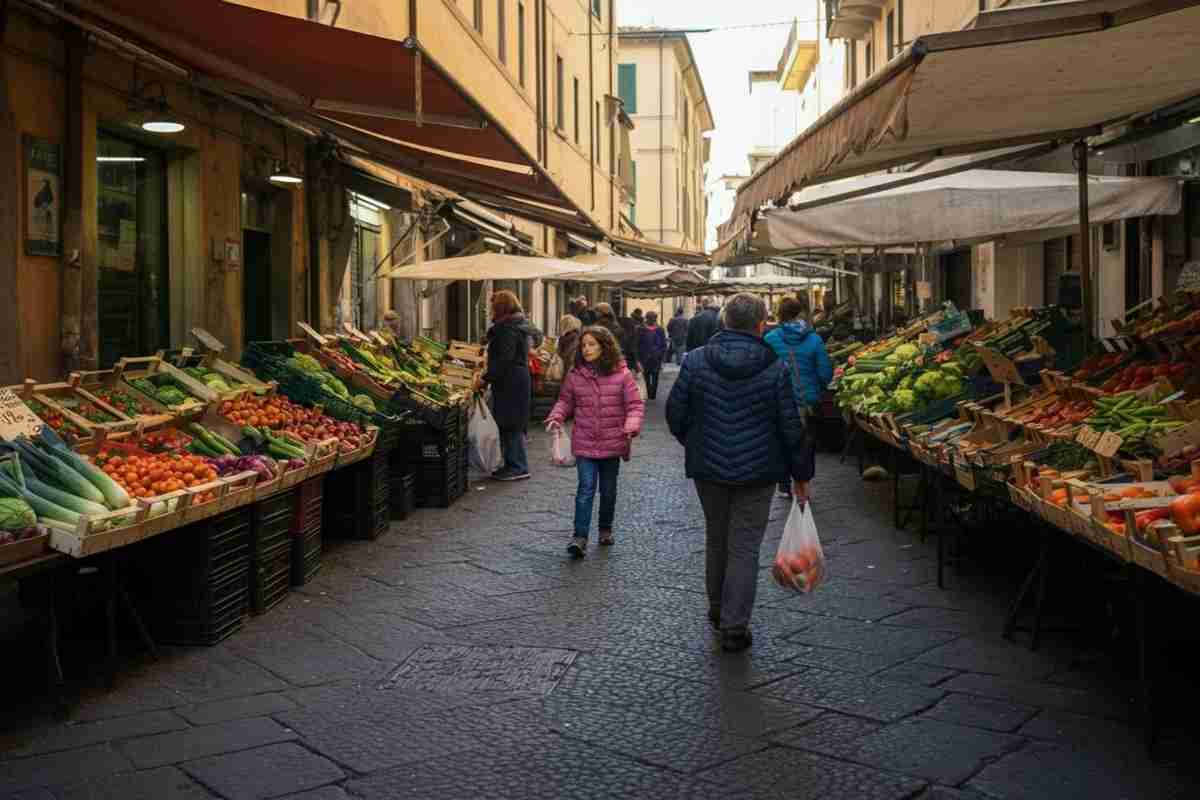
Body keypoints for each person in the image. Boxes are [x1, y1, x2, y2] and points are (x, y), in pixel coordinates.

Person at [666, 293, 812, 653]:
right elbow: (790, 425)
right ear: (761, 325)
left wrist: (696, 442)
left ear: (724, 321)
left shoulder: (696, 361)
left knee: (717, 539)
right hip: (759, 471)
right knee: (745, 547)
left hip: (708, 469)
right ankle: (734, 626)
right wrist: (801, 474)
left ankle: (718, 610)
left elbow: (675, 413)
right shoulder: (775, 366)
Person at [546, 325, 644, 558]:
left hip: (612, 442)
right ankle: (579, 537)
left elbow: (634, 405)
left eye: (592, 344)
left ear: (604, 347)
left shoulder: (622, 374)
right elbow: (565, 401)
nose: (586, 349)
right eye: (583, 345)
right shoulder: (575, 374)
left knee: (608, 491)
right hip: (585, 441)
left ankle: (605, 529)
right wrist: (556, 416)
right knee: (586, 489)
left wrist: (631, 425)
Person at [765, 297, 834, 497]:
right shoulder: (814, 339)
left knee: (781, 441)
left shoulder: (770, 339)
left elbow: (765, 371)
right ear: (800, 312)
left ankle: (784, 483)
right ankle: (804, 483)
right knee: (805, 443)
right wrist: (818, 388)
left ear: (779, 314)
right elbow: (824, 372)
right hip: (807, 400)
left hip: (779, 400)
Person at [477, 290, 538, 481]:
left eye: (492, 306)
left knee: (510, 422)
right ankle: (513, 463)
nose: (490, 309)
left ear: (500, 307)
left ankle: (517, 466)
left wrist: (486, 378)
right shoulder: (517, 324)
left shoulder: (507, 329)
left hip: (510, 381)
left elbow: (504, 359)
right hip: (515, 379)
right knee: (512, 421)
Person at [637, 311, 668, 400]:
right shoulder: (641, 329)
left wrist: (661, 355)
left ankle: (651, 394)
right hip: (648, 356)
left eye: (653, 318)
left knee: (653, 375)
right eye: (650, 318)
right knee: (648, 375)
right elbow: (637, 344)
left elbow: (663, 344)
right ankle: (650, 393)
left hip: (653, 357)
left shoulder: (659, 329)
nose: (651, 320)